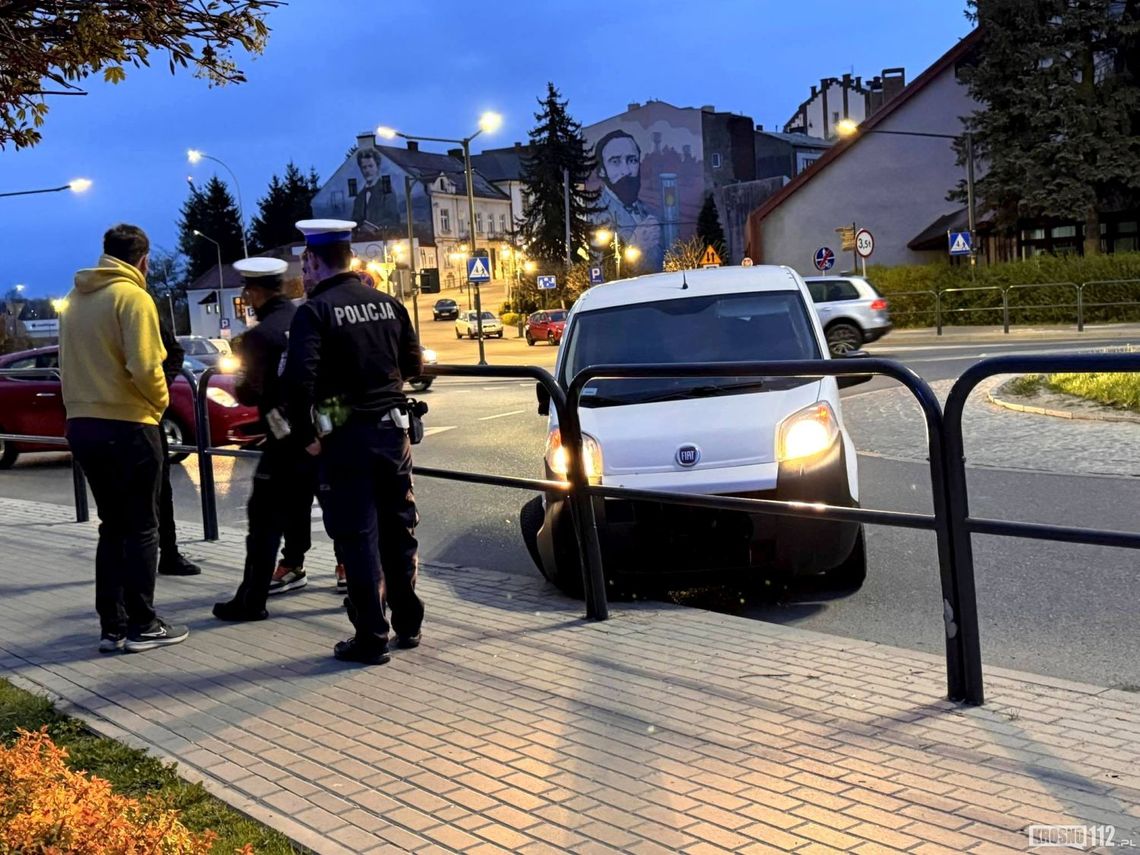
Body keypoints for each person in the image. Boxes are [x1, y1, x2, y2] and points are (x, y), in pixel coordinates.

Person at [284, 219, 423, 665]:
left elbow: (297, 385)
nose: (303, 273)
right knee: (399, 531)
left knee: (357, 537)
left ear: (313, 262)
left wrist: (307, 435)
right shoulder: (387, 304)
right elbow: (413, 365)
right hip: (392, 432)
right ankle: (409, 622)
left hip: (345, 440)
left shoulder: (314, 312)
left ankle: (371, 637)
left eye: (304, 264)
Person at [60, 224, 190, 653]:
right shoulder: (133, 298)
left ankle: (111, 626)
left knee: (111, 526)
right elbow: (146, 367)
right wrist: (158, 405)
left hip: (83, 425)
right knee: (142, 528)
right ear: (144, 260)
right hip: (128, 424)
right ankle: (143, 624)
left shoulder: (77, 299)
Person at [213, 258, 318, 621]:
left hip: (283, 440)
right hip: (321, 434)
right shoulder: (306, 317)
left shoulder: (259, 337)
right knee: (332, 514)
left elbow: (247, 393)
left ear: (254, 292)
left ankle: (251, 600)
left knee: (263, 522)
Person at [154, 308, 201, 576]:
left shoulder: (140, 304)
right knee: (155, 492)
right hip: (136, 415)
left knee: (160, 490)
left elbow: (174, 352)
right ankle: (163, 555)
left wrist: (157, 391)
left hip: (144, 415)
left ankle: (168, 553)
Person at [593, 129, 661, 265]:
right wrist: (636, 245)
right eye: (615, 161)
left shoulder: (647, 210)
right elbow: (600, 262)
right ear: (601, 170)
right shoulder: (597, 213)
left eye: (632, 160)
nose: (626, 171)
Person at [350, 148, 402, 229]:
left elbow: (393, 218)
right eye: (364, 167)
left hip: (385, 238)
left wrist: (374, 227)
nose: (367, 171)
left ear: (377, 167)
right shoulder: (359, 198)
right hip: (363, 240)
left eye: (370, 166)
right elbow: (355, 221)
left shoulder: (387, 191)